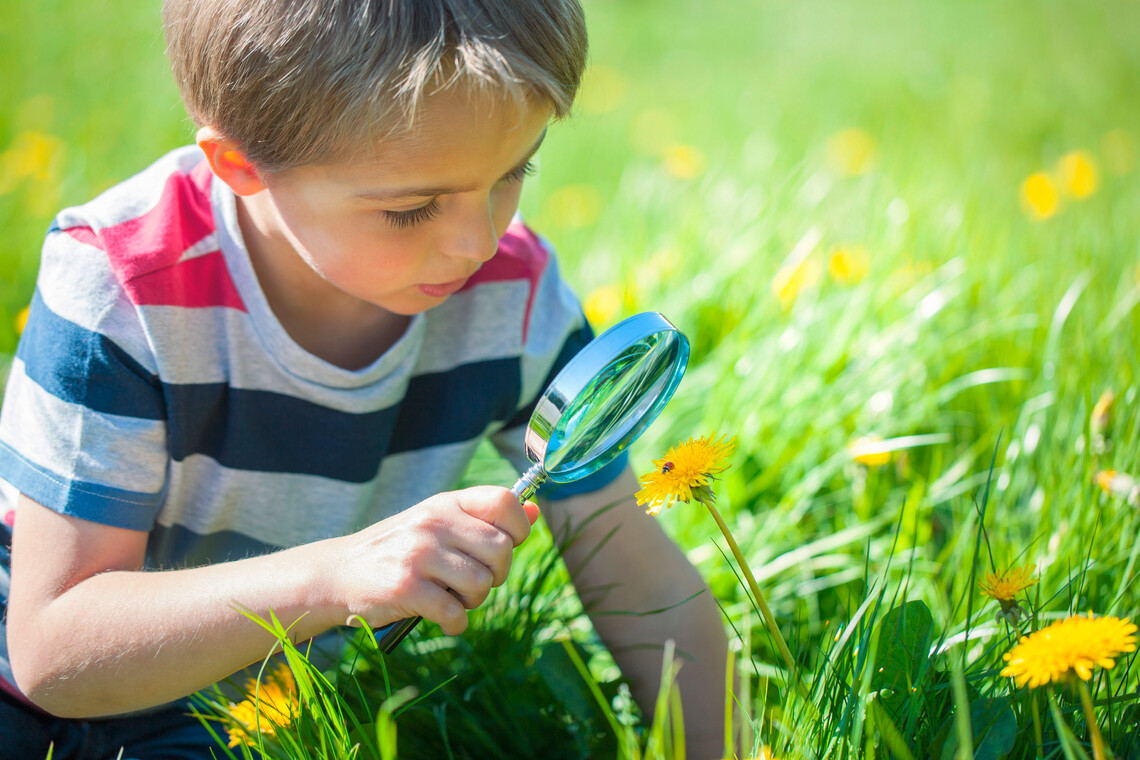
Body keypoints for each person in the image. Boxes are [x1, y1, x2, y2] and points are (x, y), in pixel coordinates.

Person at [0, 0, 729, 757]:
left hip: (254, 719)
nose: (478, 242)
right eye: (411, 210)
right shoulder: (127, 287)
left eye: (516, 170)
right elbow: (52, 653)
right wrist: (333, 577)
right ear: (243, 163)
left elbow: (639, 577)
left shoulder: (511, 295)